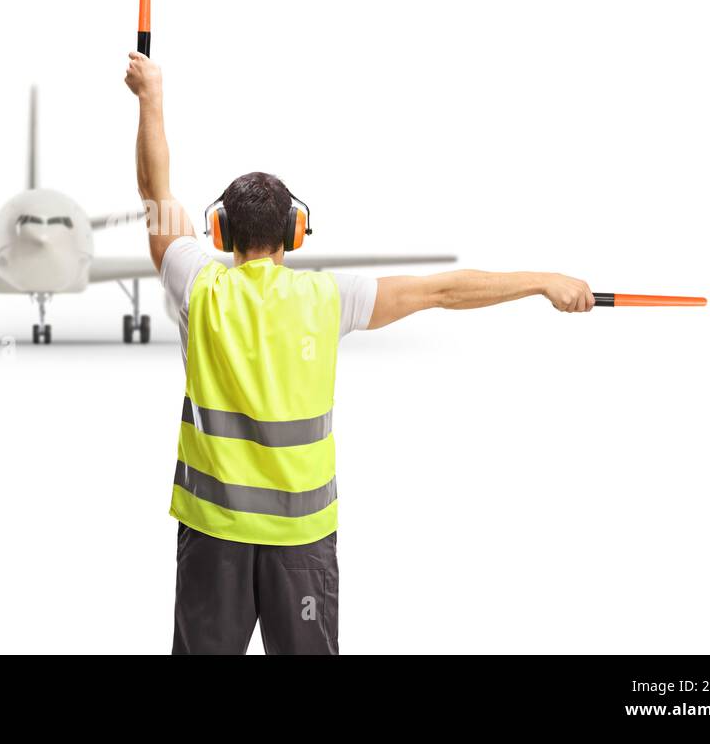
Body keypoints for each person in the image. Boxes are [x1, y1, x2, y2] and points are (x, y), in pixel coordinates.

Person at [124, 51, 596, 655]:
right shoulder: (328, 298)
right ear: (294, 233)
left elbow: (154, 189)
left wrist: (151, 95)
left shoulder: (197, 283)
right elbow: (445, 290)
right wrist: (542, 281)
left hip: (213, 533)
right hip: (304, 539)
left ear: (219, 235)